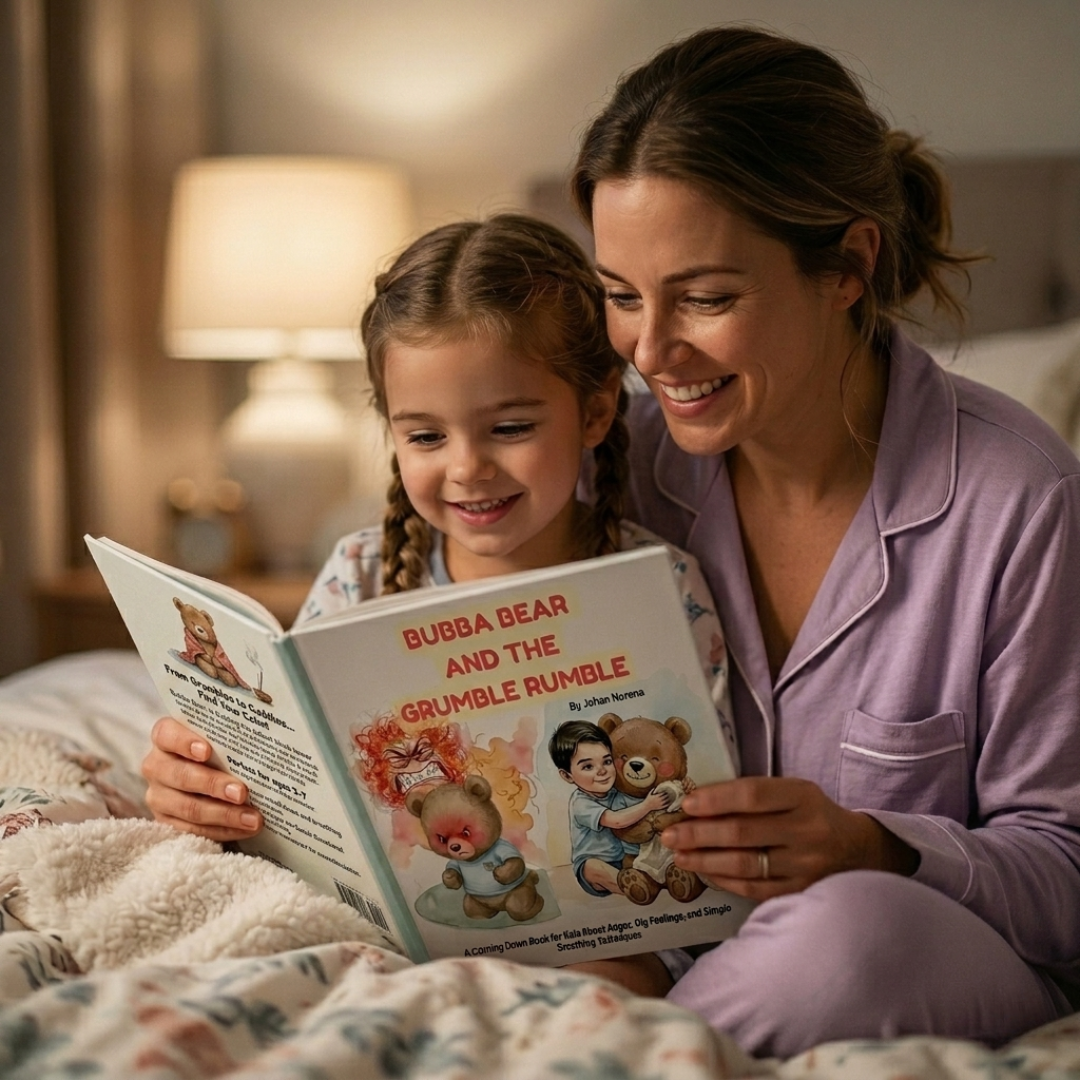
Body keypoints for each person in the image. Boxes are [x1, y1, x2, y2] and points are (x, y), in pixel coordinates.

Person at [566, 23, 1080, 1056]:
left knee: (853, 931)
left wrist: (879, 848)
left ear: (848, 264)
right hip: (659, 946)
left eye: (706, 297)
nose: (651, 350)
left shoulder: (1020, 499)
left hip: (916, 945)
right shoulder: (607, 459)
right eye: (623, 296)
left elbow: (1066, 870)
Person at [141, 212, 735, 996]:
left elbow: (701, 792)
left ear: (594, 413)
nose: (467, 468)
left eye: (512, 426)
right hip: (389, 934)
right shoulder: (361, 573)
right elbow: (296, 782)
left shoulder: (659, 581)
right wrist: (207, 785)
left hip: (605, 934)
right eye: (424, 437)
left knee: (601, 992)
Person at [548, 719, 670, 897]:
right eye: (588, 766)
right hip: (595, 865)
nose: (602, 771)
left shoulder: (616, 792)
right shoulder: (581, 802)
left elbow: (638, 801)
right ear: (567, 776)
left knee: (649, 857)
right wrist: (647, 805)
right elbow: (616, 820)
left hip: (625, 859)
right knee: (592, 867)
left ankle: (648, 880)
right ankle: (634, 887)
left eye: (606, 761)